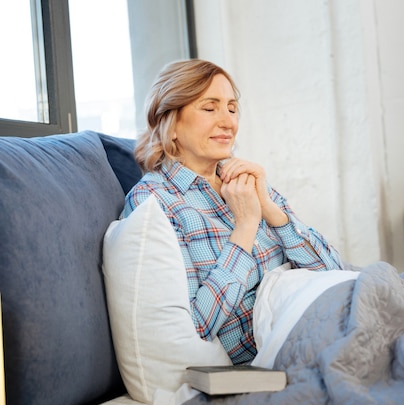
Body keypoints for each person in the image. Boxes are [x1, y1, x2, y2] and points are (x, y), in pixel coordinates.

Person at [121, 59, 343, 365]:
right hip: (292, 345)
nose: (228, 122)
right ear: (171, 123)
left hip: (328, 309)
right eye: (209, 108)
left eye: (232, 108)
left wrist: (270, 209)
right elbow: (198, 327)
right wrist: (246, 225)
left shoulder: (245, 179)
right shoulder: (155, 203)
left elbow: (334, 270)